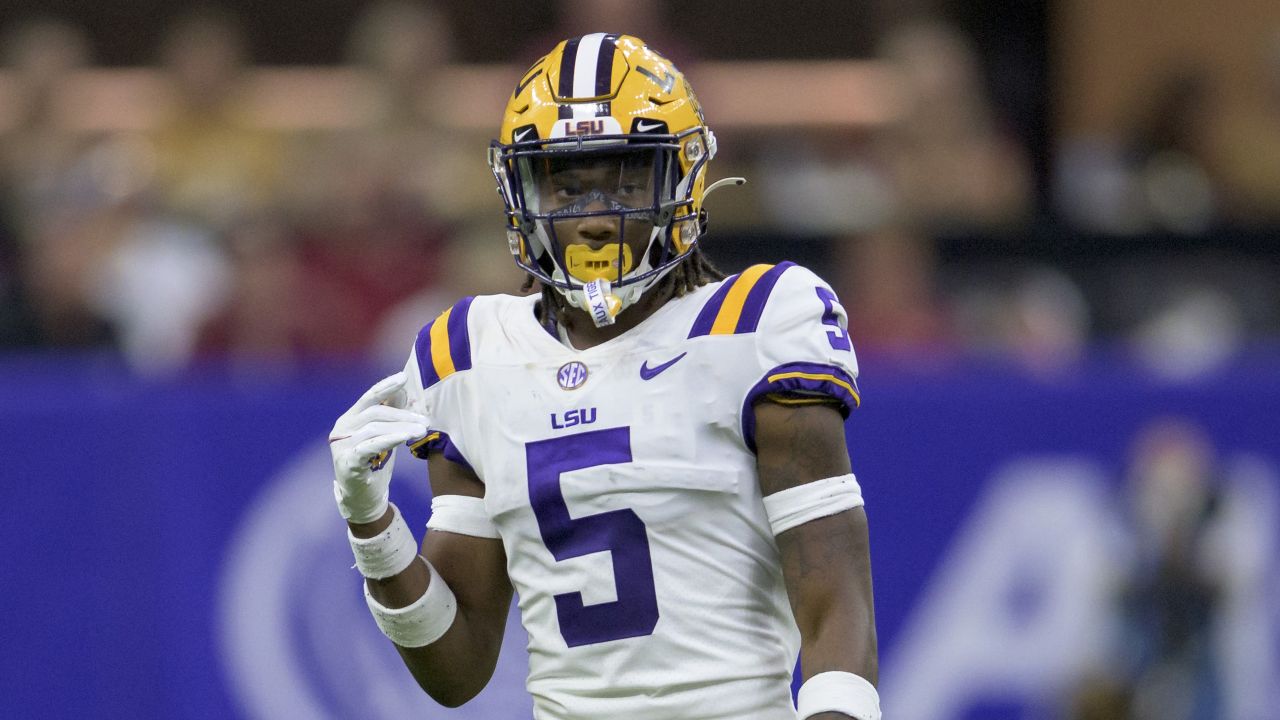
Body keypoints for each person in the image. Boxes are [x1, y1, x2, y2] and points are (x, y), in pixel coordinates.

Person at [328, 34, 879, 720]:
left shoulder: (754, 326)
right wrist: (372, 527)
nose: (594, 214)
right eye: (566, 183)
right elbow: (458, 670)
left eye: (624, 176)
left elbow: (837, 609)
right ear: (520, 191)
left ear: (681, 177)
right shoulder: (470, 354)